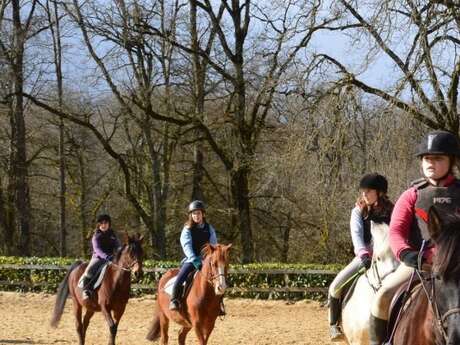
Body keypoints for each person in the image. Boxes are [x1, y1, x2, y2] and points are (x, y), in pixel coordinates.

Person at [368, 130, 460, 345]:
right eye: (427, 158)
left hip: (456, 265)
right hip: (419, 263)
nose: (430, 163)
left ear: (451, 161)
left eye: (438, 158)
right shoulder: (412, 195)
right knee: (382, 298)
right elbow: (396, 232)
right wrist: (406, 254)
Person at [328, 173, 394, 342]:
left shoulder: (393, 211)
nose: (364, 194)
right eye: (363, 191)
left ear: (379, 192)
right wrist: (363, 253)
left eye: (368, 191)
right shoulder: (358, 211)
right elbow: (356, 234)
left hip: (390, 258)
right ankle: (334, 324)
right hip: (365, 257)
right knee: (335, 287)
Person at [169, 200, 219, 311]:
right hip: (191, 260)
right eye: (194, 213)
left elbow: (214, 245)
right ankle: (174, 300)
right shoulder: (187, 229)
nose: (196, 216)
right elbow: (186, 246)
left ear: (203, 214)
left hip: (207, 260)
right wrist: (194, 259)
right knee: (180, 277)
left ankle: (218, 305)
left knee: (219, 278)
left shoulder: (209, 228)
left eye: (198, 213)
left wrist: (208, 259)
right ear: (191, 215)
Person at [80, 213, 121, 299]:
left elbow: (117, 245)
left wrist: (120, 251)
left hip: (112, 258)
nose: (103, 225)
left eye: (105, 223)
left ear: (109, 224)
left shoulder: (112, 235)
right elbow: (97, 250)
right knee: (89, 270)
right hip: (98, 258)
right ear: (99, 225)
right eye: (101, 223)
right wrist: (106, 256)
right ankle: (86, 290)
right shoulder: (96, 236)